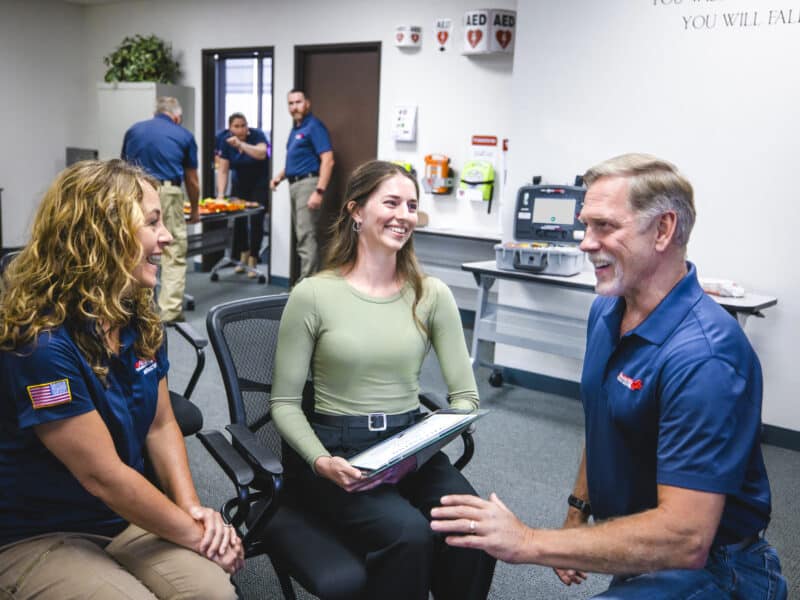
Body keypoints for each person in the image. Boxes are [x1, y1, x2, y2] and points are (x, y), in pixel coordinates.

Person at [430, 153, 788, 599]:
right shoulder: (607, 309)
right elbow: (606, 419)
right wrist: (578, 508)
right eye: (586, 225)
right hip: (643, 543)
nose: (584, 242)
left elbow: (685, 537)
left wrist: (530, 542)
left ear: (663, 230)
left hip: (712, 569)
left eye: (605, 226)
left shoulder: (706, 357)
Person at [0, 160, 243, 599]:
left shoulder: (137, 315)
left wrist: (192, 510)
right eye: (153, 223)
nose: (167, 237)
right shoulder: (41, 343)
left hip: (120, 517)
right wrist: (195, 536)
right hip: (37, 531)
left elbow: (161, 423)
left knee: (215, 593)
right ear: (102, 234)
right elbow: (104, 477)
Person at [270, 160, 496, 599]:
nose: (404, 214)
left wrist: (421, 447)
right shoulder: (313, 294)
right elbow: (283, 403)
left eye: (412, 205)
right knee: (407, 536)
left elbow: (466, 397)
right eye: (391, 202)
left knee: (473, 524)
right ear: (356, 211)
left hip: (409, 446)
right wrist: (321, 462)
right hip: (337, 453)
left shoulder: (432, 294)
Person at [122, 96, 199, 323]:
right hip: (167, 192)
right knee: (172, 250)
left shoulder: (134, 130)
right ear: (177, 116)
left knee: (135, 249)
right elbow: (192, 180)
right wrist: (195, 210)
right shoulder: (183, 134)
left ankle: (136, 307)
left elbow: (122, 168)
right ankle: (170, 313)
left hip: (133, 193)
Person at [269, 88, 334, 282]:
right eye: (291, 103)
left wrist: (319, 191)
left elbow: (328, 160)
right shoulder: (296, 129)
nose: (294, 107)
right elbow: (296, 161)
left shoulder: (314, 126)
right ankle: (310, 282)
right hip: (295, 184)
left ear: (307, 103)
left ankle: (308, 285)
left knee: (306, 236)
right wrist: (279, 177)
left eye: (298, 102)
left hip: (309, 185)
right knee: (302, 235)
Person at [216, 112, 270, 278]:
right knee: (239, 221)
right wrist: (220, 194)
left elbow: (261, 153)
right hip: (239, 185)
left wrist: (240, 144)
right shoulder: (225, 141)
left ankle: (254, 258)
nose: (240, 129)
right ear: (230, 128)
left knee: (256, 221)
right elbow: (223, 170)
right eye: (236, 126)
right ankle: (243, 256)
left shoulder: (257, 135)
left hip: (258, 184)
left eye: (243, 125)